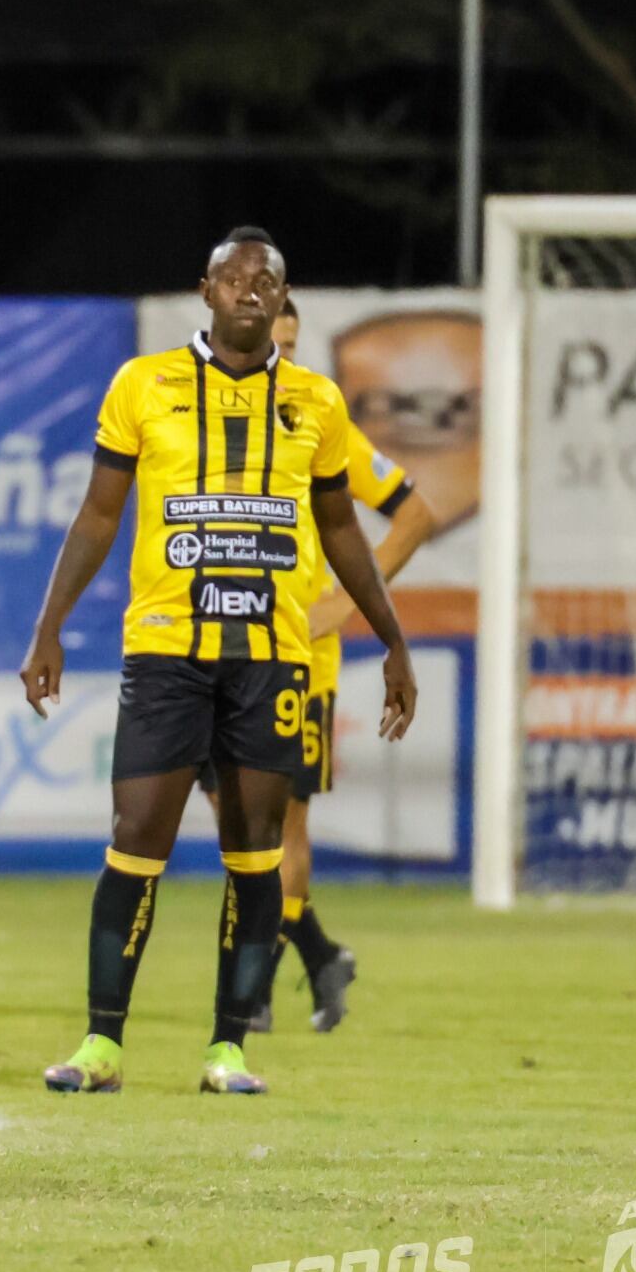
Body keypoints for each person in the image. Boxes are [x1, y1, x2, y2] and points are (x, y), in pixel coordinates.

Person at [19, 226, 416, 1097]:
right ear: (205, 291)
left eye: (265, 280)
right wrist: (50, 626)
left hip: (272, 660)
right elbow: (98, 514)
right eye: (234, 278)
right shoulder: (144, 384)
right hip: (168, 651)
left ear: (282, 299)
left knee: (257, 849)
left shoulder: (316, 402)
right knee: (136, 839)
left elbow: (343, 528)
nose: (250, 290)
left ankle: (228, 1049)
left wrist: (391, 638)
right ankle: (102, 1044)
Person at [202, 297, 436, 1034]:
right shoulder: (194, 409)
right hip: (209, 650)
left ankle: (255, 988)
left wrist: (342, 601)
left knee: (280, 829)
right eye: (271, 337)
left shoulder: (313, 417)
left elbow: (414, 513)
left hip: (297, 659)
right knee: (236, 827)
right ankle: (320, 954)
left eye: (292, 342)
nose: (281, 352)